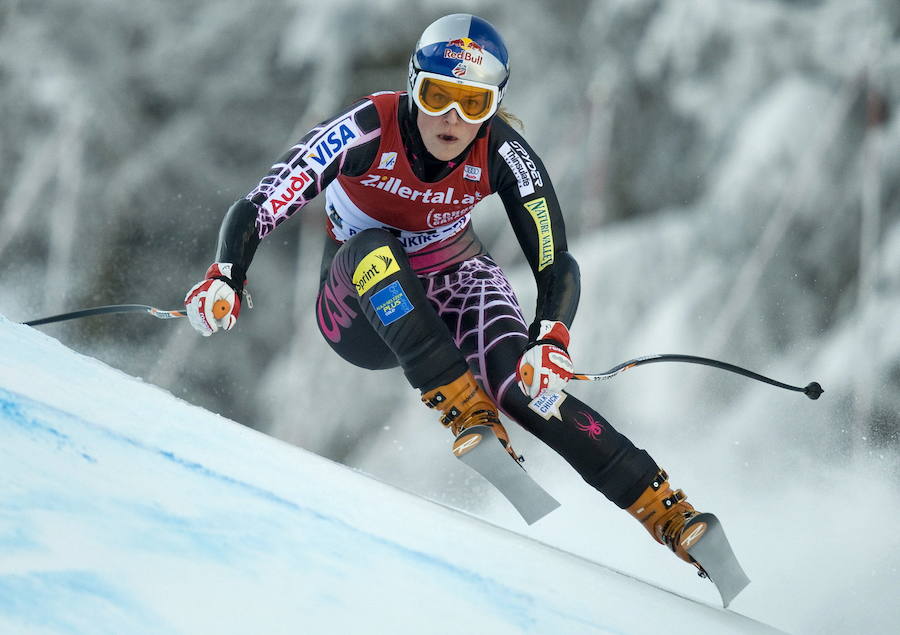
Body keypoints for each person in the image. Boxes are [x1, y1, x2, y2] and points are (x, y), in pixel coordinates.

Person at [185, 13, 708, 572]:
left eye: (473, 104)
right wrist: (227, 274)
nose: (453, 120)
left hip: (452, 279)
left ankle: (668, 514)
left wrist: (550, 336)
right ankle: (462, 407)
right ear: (413, 85)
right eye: (437, 97)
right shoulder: (367, 125)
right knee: (372, 247)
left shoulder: (504, 153)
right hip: (361, 310)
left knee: (525, 384)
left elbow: (554, 258)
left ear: (493, 106)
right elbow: (265, 199)